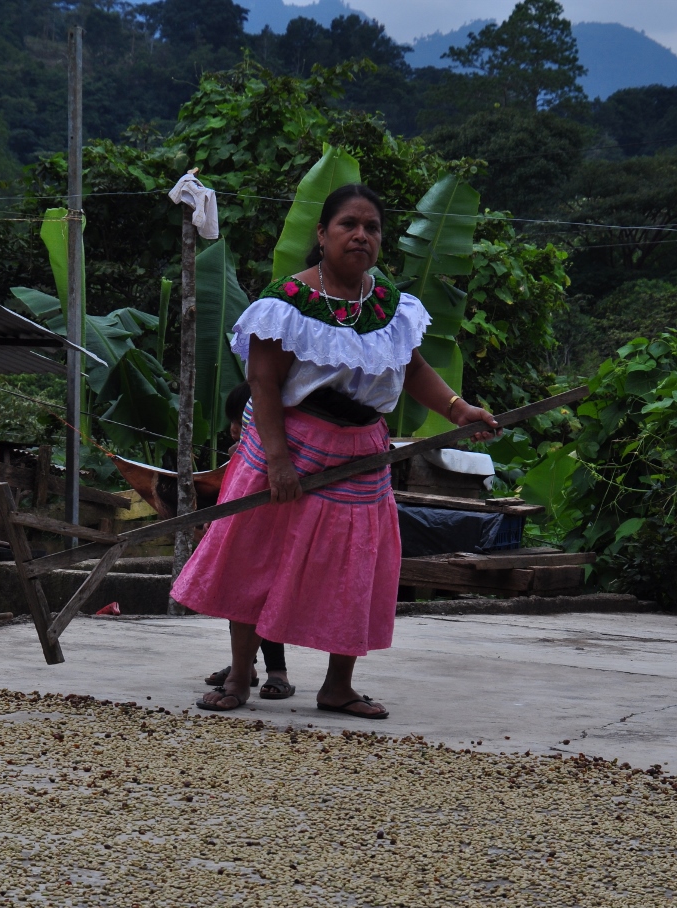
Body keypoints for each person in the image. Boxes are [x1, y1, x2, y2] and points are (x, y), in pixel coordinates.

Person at [172, 183, 497, 717]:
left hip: (362, 453)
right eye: (349, 224)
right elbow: (263, 384)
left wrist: (459, 409)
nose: (361, 235)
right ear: (322, 234)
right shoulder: (284, 304)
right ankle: (237, 677)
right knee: (256, 558)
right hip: (289, 446)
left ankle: (338, 687)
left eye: (372, 227)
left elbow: (413, 368)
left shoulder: (391, 304)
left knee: (354, 567)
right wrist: (279, 461)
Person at [203, 382, 295, 700]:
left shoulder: (279, 447)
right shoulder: (244, 451)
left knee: (264, 599)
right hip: (241, 527)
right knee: (238, 599)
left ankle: (277, 671)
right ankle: (244, 667)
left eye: (238, 421)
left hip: (274, 529)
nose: (233, 429)